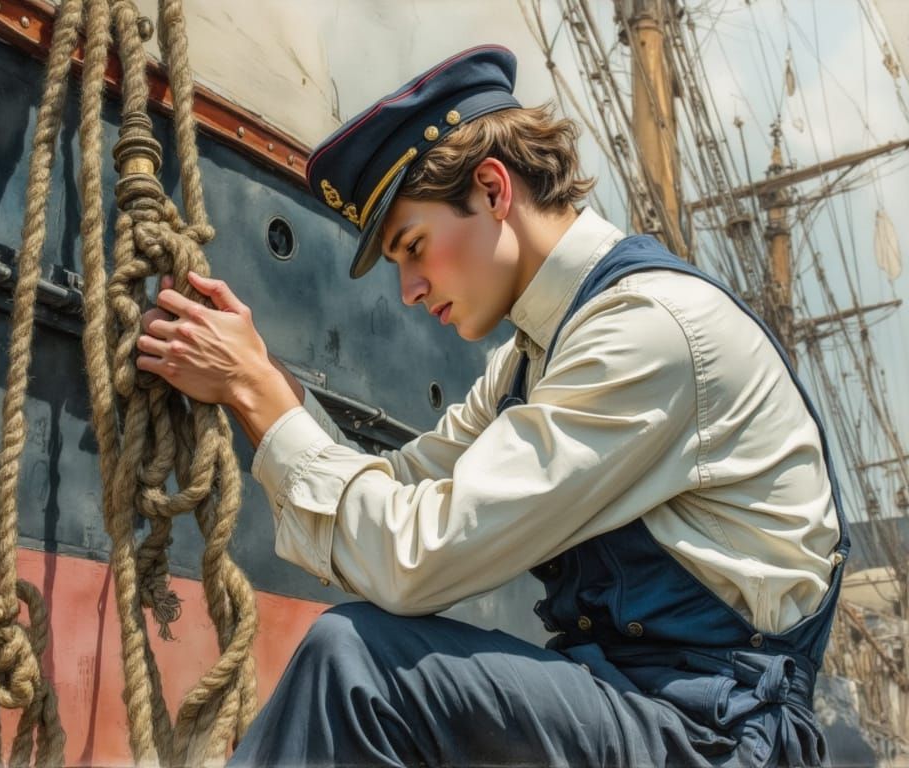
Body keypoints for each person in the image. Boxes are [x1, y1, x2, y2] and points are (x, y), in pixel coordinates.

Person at [136, 45, 847, 767]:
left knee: (355, 665)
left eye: (414, 247)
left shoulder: (646, 334)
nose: (409, 290)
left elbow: (417, 557)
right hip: (642, 714)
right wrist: (264, 378)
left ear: (492, 189)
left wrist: (254, 393)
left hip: (719, 739)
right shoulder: (529, 361)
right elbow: (403, 485)